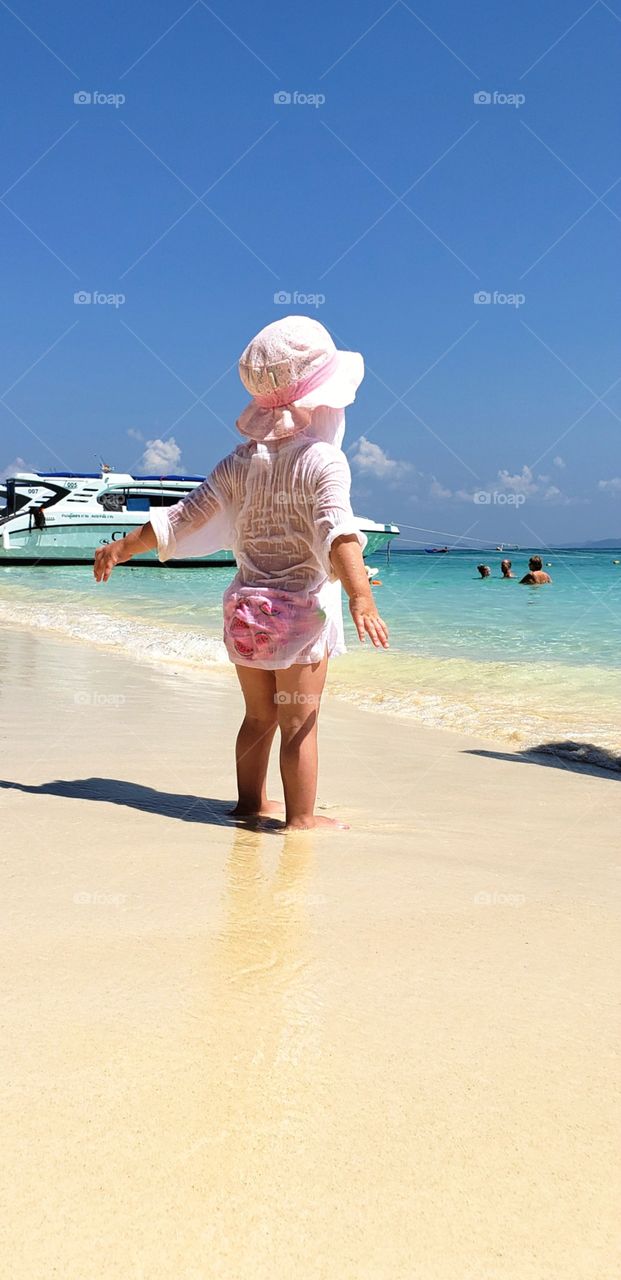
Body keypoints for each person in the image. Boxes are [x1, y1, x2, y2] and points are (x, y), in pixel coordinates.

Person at [93, 316, 389, 830]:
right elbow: (337, 531)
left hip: (245, 612)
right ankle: (301, 819)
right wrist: (360, 595)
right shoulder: (323, 461)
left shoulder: (238, 462)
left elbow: (182, 518)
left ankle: (250, 803)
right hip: (300, 614)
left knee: (258, 717)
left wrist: (122, 547)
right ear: (323, 399)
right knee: (299, 723)